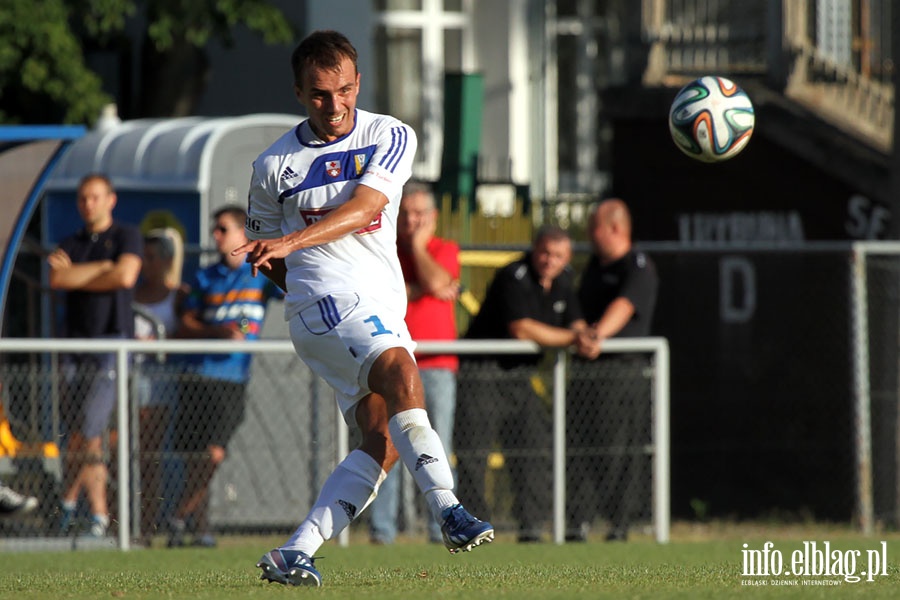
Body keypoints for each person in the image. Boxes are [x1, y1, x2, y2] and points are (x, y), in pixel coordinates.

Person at [233, 30, 493, 587]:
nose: (335, 105)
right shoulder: (271, 165)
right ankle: (449, 510)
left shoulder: (390, 134)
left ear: (358, 84)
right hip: (322, 303)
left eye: (344, 90)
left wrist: (290, 244)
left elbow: (366, 206)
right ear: (299, 93)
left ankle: (293, 552)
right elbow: (263, 253)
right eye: (320, 94)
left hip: (376, 304)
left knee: (384, 440)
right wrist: (304, 286)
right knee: (401, 370)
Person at [455, 225, 592, 543]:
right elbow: (522, 329)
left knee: (533, 449)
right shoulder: (512, 275)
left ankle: (531, 529)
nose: (549, 260)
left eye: (558, 255)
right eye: (545, 252)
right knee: (475, 455)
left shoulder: (564, 281)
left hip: (519, 377)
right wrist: (574, 338)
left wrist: (587, 335)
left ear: (567, 258)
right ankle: (475, 530)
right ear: (534, 250)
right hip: (483, 374)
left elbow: (576, 320)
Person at [166, 206, 282, 548]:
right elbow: (185, 323)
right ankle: (200, 530)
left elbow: (296, 289)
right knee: (196, 458)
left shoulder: (261, 273)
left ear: (243, 234)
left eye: (222, 229)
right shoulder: (206, 276)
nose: (215, 236)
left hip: (231, 379)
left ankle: (177, 516)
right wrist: (217, 331)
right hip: (198, 376)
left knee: (213, 454)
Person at [48, 173, 143, 538]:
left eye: (95, 197)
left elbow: (125, 276)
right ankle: (70, 505)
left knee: (90, 429)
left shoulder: (126, 236)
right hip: (73, 345)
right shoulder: (69, 242)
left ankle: (95, 514)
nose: (89, 204)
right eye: (83, 198)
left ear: (110, 200)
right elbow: (58, 280)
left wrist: (81, 274)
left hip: (110, 344)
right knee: (77, 433)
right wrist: (102, 269)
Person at [368, 181, 461, 545]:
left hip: (437, 365)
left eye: (420, 214)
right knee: (387, 445)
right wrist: (424, 287)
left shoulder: (445, 249)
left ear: (433, 218)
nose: (411, 221)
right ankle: (382, 531)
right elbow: (383, 294)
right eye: (405, 214)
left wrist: (420, 251)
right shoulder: (385, 250)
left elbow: (440, 279)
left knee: (436, 447)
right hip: (393, 365)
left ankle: (445, 526)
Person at [568, 198, 659, 542]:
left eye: (594, 228)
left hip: (621, 374)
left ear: (615, 229)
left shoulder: (637, 265)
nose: (589, 236)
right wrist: (580, 333)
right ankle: (578, 523)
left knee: (620, 451)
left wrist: (597, 336)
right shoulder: (593, 264)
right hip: (587, 373)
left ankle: (619, 526)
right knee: (580, 449)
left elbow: (625, 304)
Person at [132, 227, 186, 543]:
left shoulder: (177, 295)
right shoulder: (131, 293)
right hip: (127, 381)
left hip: (159, 385)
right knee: (124, 455)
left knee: (150, 457)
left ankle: (149, 526)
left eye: (151, 257)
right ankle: (120, 525)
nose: (145, 263)